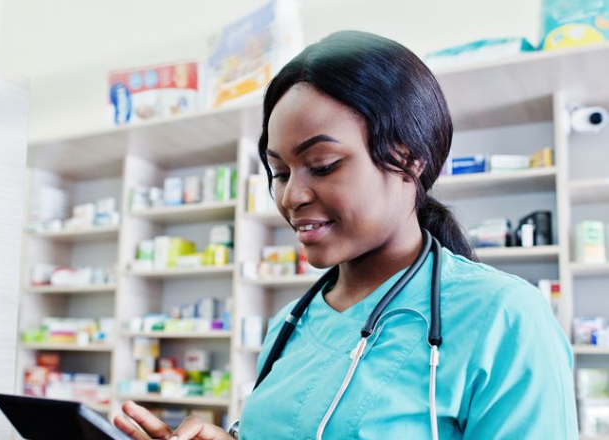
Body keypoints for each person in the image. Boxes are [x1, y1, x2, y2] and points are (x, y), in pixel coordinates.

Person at [114, 30, 578, 440]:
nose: (292, 196)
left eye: (322, 166)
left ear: (409, 158)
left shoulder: (506, 319)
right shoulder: (289, 326)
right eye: (278, 171)